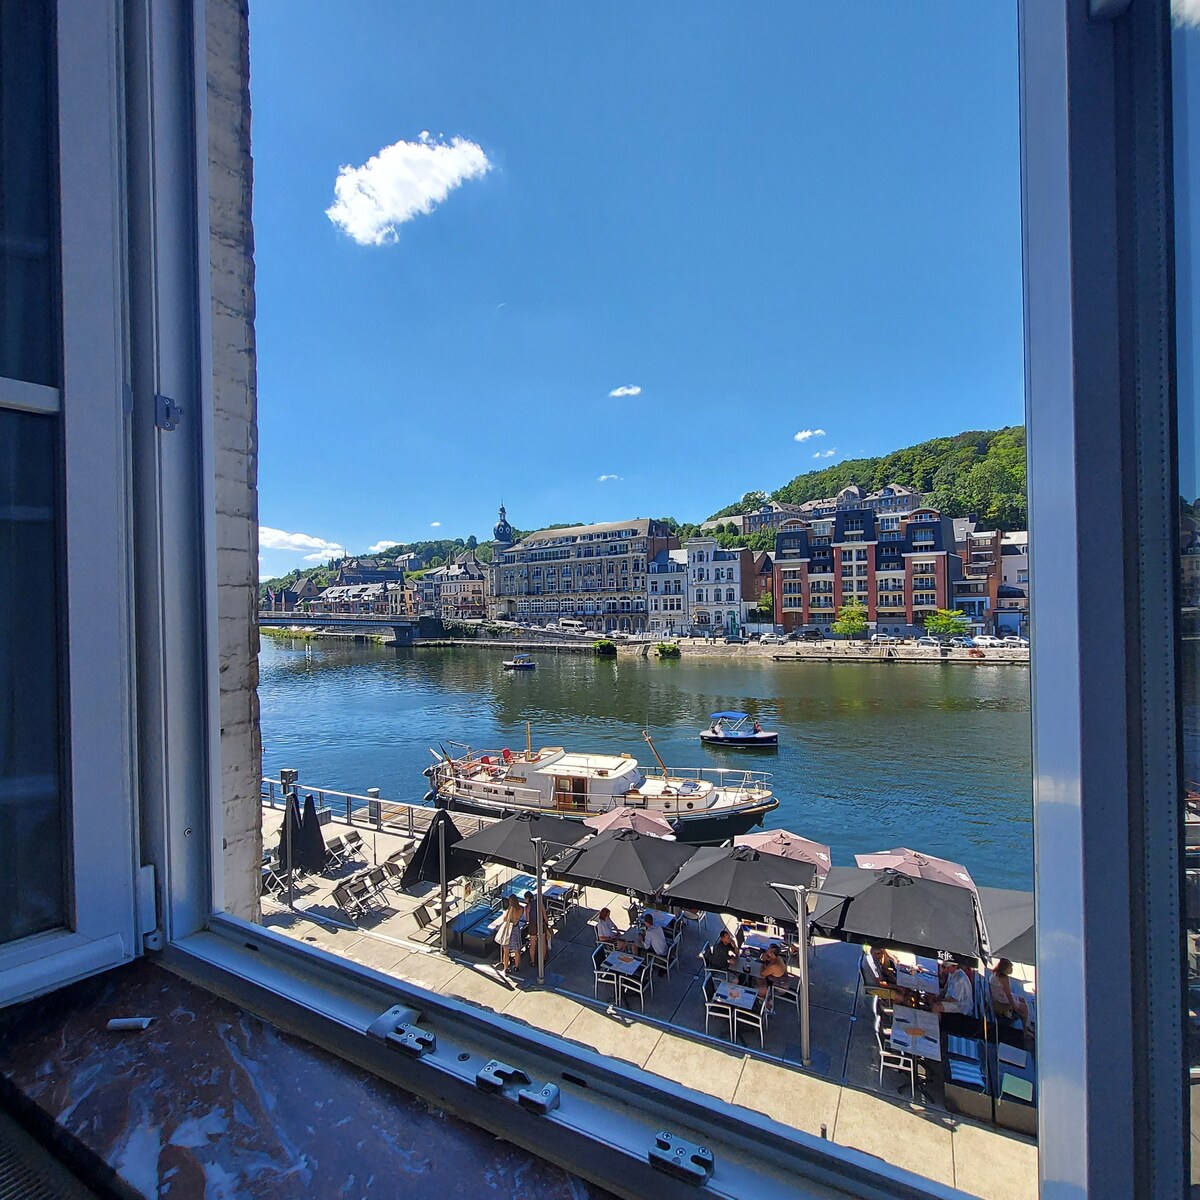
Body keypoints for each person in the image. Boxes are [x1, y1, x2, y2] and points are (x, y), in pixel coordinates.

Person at [932, 960, 976, 1034]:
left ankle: (937, 1029)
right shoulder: (952, 973)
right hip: (953, 999)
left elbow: (953, 999)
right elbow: (946, 988)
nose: (945, 969)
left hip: (961, 1006)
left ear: (954, 967)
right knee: (932, 996)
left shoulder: (960, 979)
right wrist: (938, 997)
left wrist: (939, 1001)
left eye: (946, 967)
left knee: (936, 1007)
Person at [989, 958, 1029, 1024]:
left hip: (998, 995)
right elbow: (1008, 995)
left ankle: (1024, 1021)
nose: (1012, 969)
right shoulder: (1003, 978)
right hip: (1001, 999)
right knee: (1024, 1008)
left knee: (1022, 999)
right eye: (1010, 968)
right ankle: (1025, 1028)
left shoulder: (996, 973)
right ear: (1005, 968)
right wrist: (1014, 1006)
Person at [495, 894, 524, 975]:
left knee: (506, 951)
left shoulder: (511, 909)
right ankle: (516, 966)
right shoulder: (521, 908)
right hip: (516, 929)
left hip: (509, 931)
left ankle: (506, 968)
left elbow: (505, 919)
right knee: (516, 950)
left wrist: (509, 911)